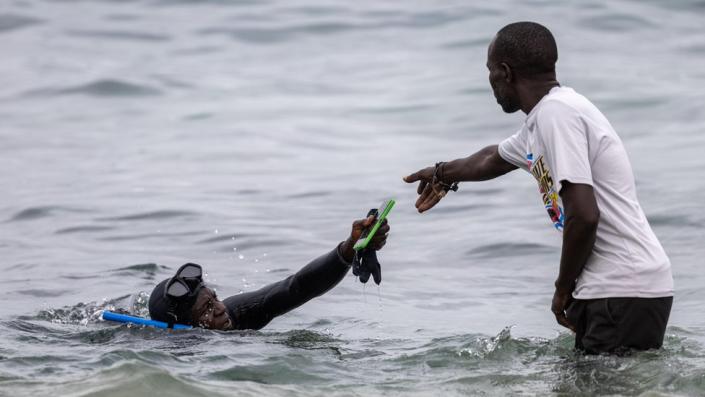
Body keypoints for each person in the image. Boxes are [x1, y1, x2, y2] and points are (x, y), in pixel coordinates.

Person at [403, 22, 673, 354]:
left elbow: (585, 215)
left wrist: (562, 289)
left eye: (490, 71)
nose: (489, 82)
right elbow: (492, 158)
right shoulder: (543, 119)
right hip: (618, 289)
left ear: (505, 72)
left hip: (621, 288)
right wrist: (442, 173)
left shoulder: (557, 115)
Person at [148, 215, 389, 330]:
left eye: (215, 298)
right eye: (207, 310)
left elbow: (296, 288)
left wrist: (349, 248)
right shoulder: (177, 350)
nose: (221, 308)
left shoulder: (237, 314)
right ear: (183, 325)